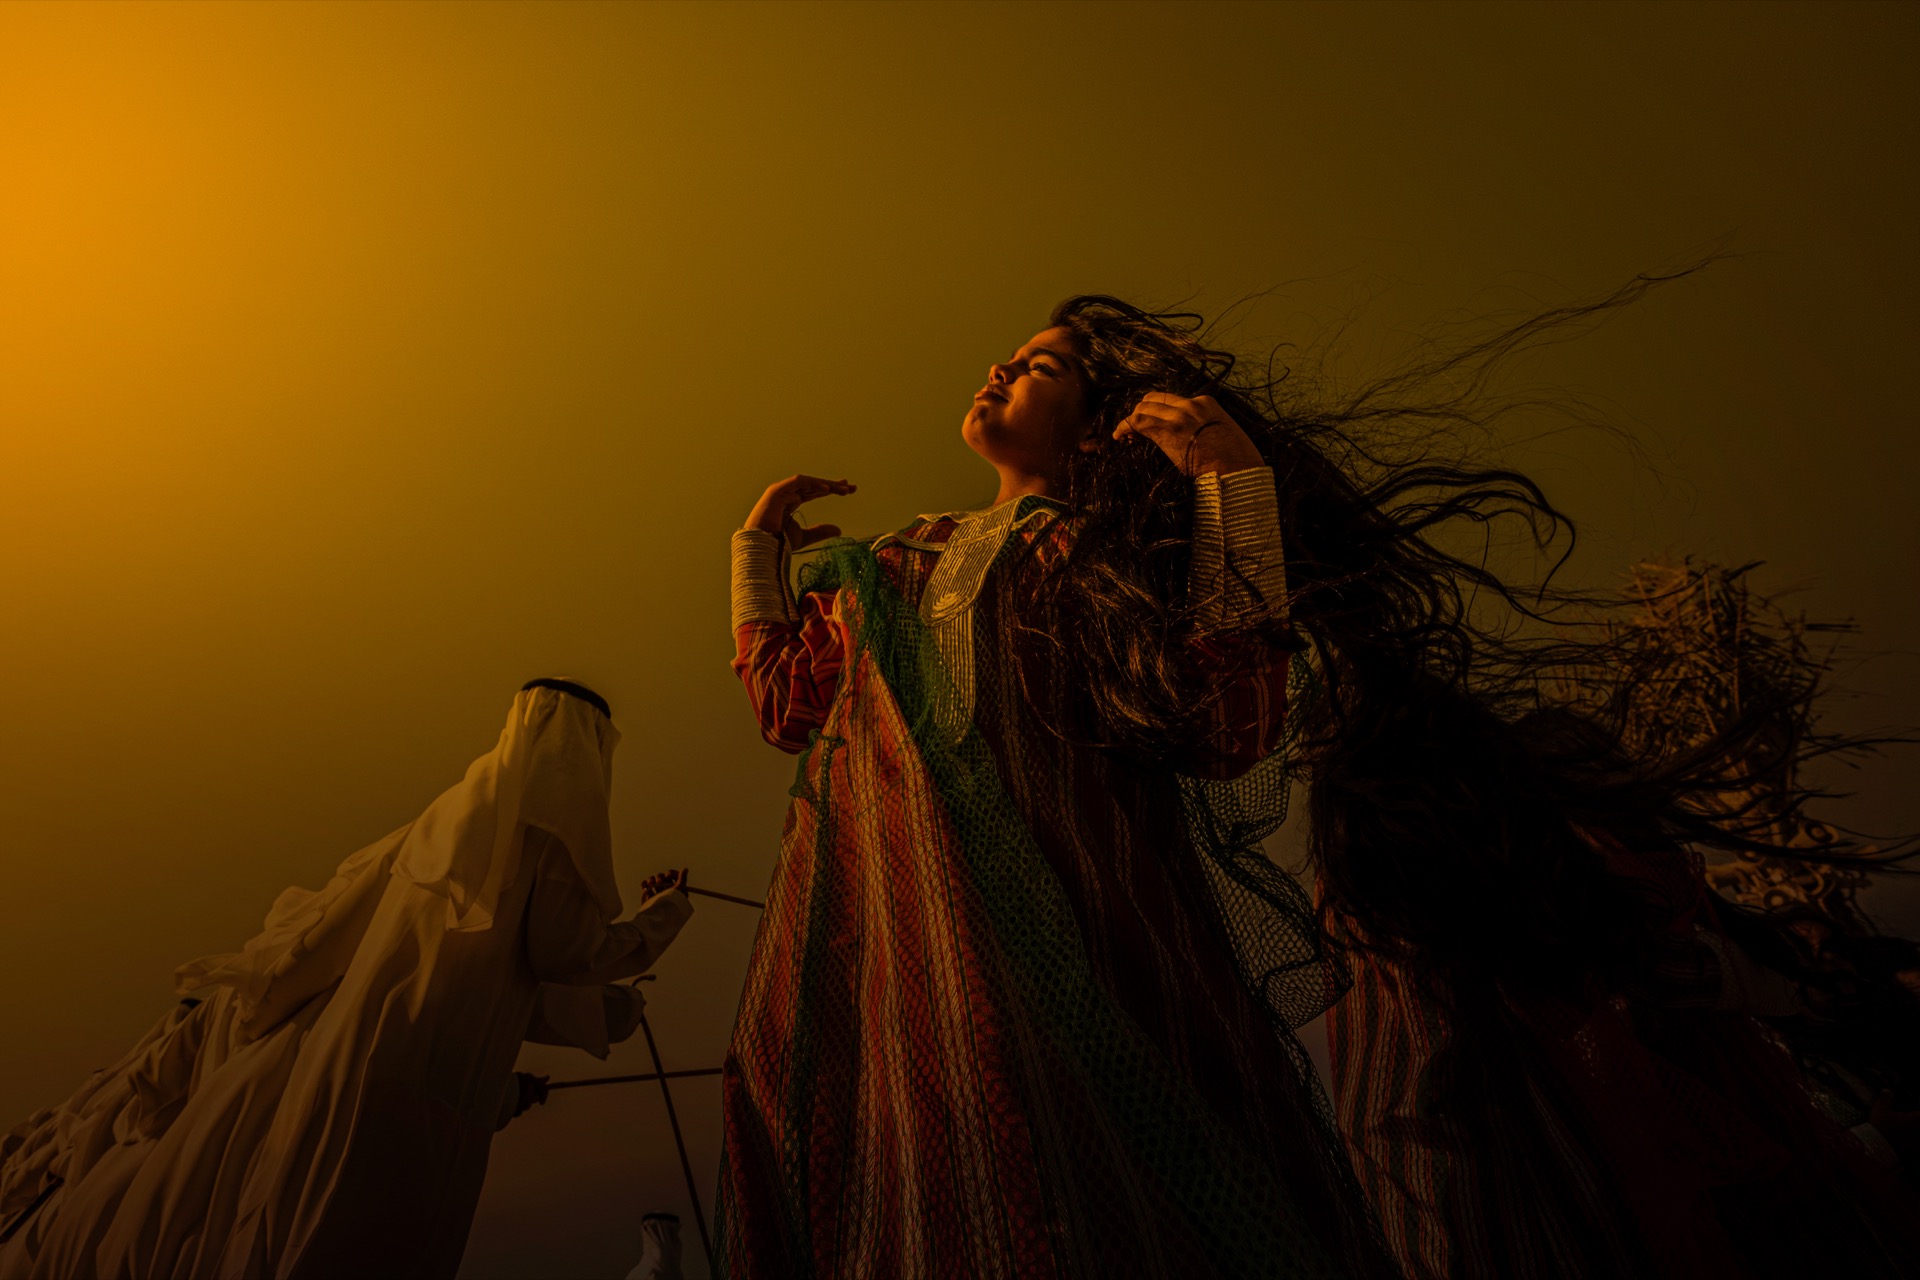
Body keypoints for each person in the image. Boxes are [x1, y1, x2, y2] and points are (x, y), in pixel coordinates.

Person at [720, 301, 1395, 1277]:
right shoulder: (889, 565)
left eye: (1040, 366)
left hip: (1088, 941)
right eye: (1010, 355)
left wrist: (1233, 486)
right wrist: (756, 550)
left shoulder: (1102, 561)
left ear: (1095, 429)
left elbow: (1227, 723)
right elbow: (788, 709)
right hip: (881, 958)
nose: (999, 367)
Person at [1, 680, 693, 1280]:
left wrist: (523, 1082)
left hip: (344, 1064)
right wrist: (665, 913)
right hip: (430, 1086)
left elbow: (326, 944)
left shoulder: (428, 835)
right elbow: (566, 958)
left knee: (294, 1224)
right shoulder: (552, 848)